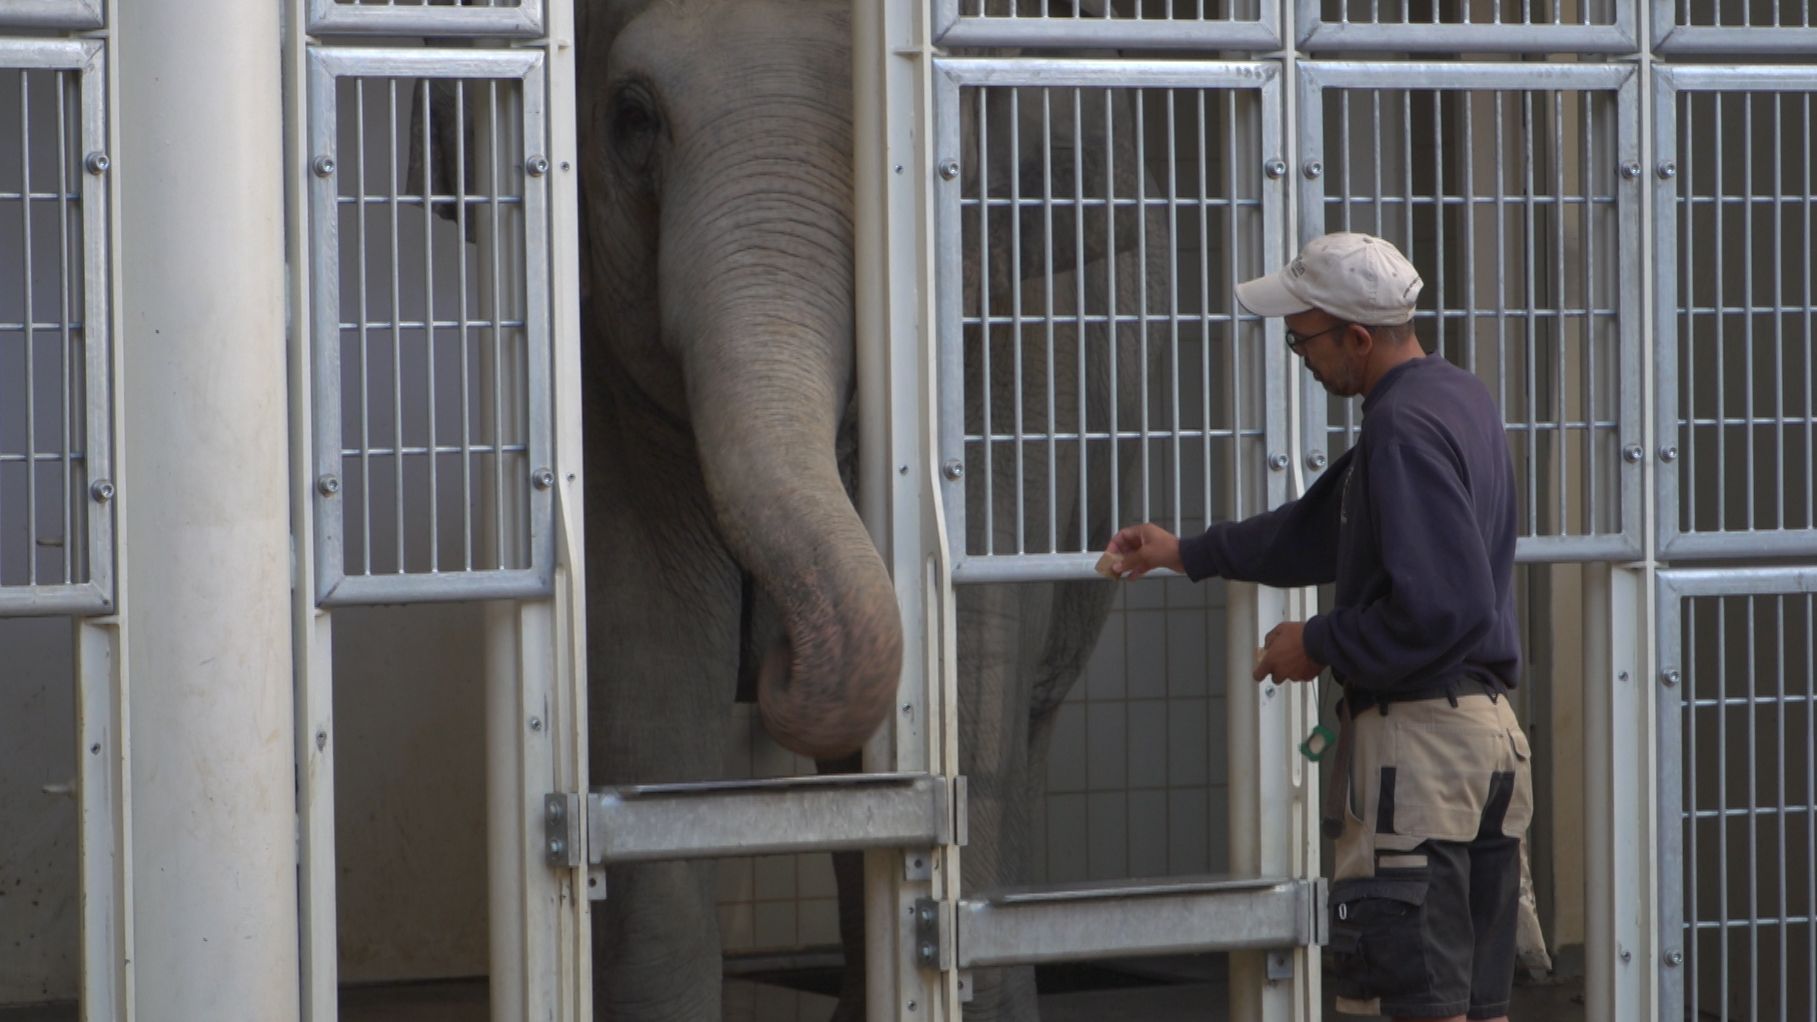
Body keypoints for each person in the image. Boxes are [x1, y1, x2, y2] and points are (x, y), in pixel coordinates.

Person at [1101, 232, 1532, 1022]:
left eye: (1304, 336)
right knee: (1473, 1001)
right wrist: (1186, 552)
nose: (1299, 353)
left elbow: (1444, 607)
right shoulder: (1454, 398)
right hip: (1487, 744)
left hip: (1420, 755)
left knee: (1413, 1003)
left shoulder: (1399, 430)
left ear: (1357, 338)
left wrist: (1318, 642)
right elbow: (1320, 525)